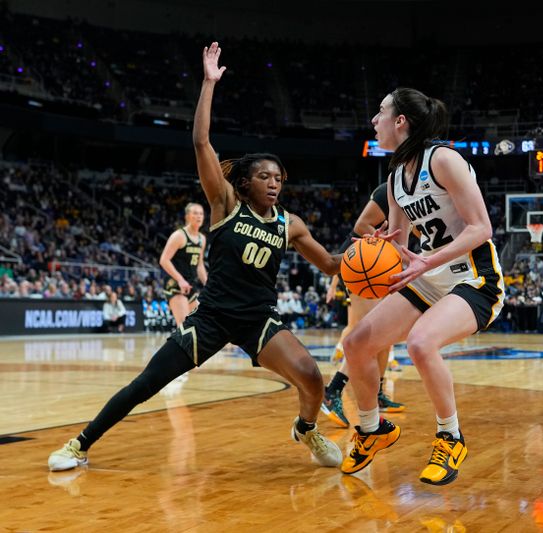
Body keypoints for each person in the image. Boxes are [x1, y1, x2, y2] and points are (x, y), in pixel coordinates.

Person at [48, 42, 343, 472]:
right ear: (244, 183)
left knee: (312, 377)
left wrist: (375, 246)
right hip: (212, 317)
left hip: (258, 318)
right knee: (146, 384)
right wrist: (208, 84)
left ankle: (306, 429)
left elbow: (333, 265)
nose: (274, 183)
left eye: (279, 177)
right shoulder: (224, 204)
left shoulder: (290, 224)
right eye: (264, 176)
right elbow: (201, 140)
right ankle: (79, 443)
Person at [339, 87, 505, 485]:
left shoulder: (444, 159)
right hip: (428, 276)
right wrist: (378, 249)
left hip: (473, 277)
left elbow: (482, 227)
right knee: (356, 343)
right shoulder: (396, 177)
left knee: (420, 342)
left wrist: (430, 259)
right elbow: (401, 245)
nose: (374, 121)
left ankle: (450, 437)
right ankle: (371, 429)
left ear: (401, 121)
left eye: (381, 113)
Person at [321, 182, 406, 429]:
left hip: (386, 265)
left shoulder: (421, 190)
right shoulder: (392, 186)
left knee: (386, 336)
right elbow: (360, 227)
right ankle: (333, 390)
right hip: (365, 264)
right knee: (373, 332)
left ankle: (377, 393)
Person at [159, 202, 207, 328]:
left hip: (191, 284)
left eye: (201, 213)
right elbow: (164, 260)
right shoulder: (179, 236)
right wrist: (180, 280)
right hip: (175, 284)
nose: (199, 216)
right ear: (187, 216)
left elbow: (200, 264)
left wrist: (208, 284)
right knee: (184, 327)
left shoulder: (202, 239)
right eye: (195, 213)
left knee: (198, 326)